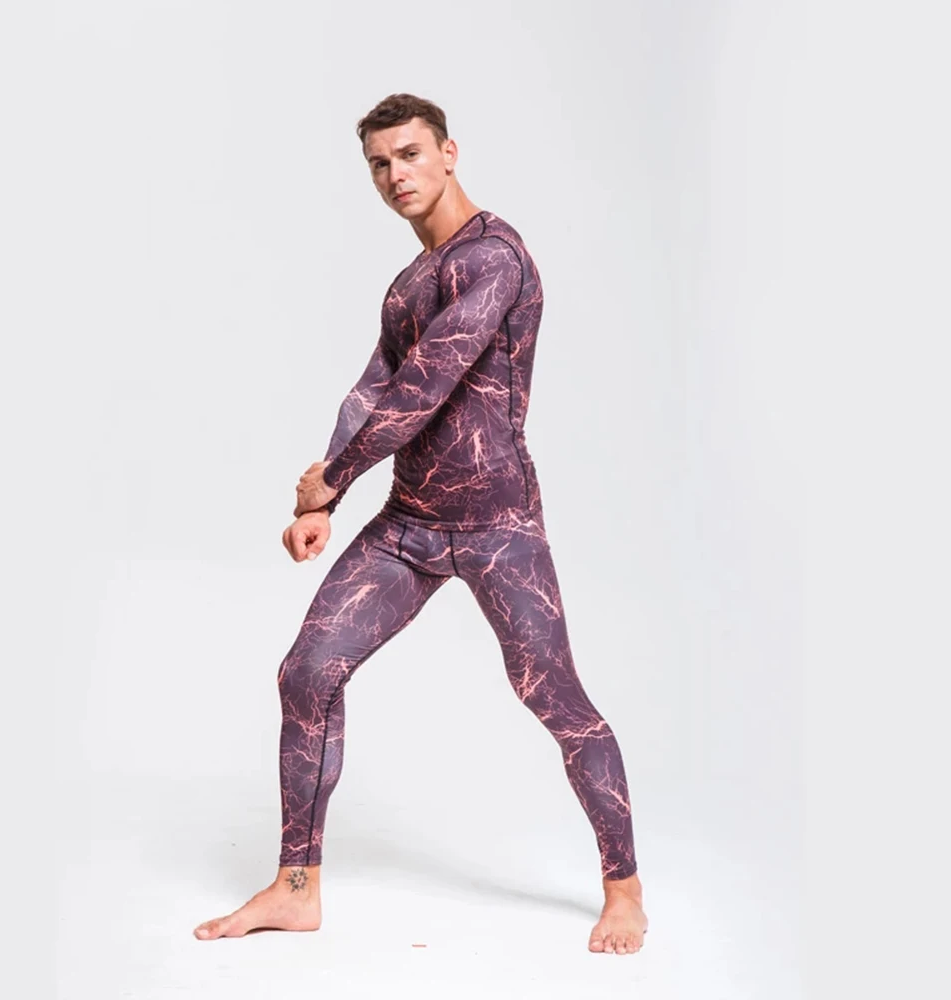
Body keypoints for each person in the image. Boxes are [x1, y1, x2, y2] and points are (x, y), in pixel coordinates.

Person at [194, 93, 648, 956]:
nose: (395, 174)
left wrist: (334, 477)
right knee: (307, 672)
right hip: (410, 524)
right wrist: (321, 502)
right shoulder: (411, 281)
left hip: (498, 523)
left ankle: (624, 890)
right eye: (379, 163)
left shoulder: (494, 259)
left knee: (553, 697)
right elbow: (372, 384)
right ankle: (296, 887)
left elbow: (423, 388)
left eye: (409, 154)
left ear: (448, 152)